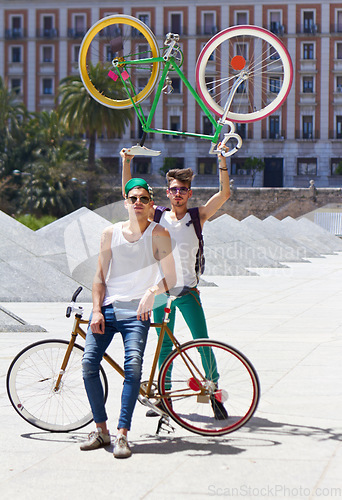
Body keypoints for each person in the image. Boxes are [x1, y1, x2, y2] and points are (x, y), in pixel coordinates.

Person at [121, 145, 230, 420]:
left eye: (183, 189)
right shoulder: (156, 216)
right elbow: (131, 196)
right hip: (160, 293)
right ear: (167, 193)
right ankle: (164, 399)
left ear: (189, 193)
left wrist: (222, 160)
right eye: (173, 189)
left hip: (188, 291)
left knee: (202, 341)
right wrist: (126, 163)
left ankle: (214, 392)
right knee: (163, 345)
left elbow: (224, 194)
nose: (178, 193)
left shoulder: (197, 217)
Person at [80, 178, 176, 459]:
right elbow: (99, 276)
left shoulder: (159, 233)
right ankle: (101, 430)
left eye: (144, 199)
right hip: (108, 308)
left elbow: (170, 277)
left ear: (150, 205)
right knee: (88, 364)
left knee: (132, 368)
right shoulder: (110, 233)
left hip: (138, 312)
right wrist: (96, 309)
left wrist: (152, 291)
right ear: (126, 203)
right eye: (133, 198)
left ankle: (122, 434)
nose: (138, 203)